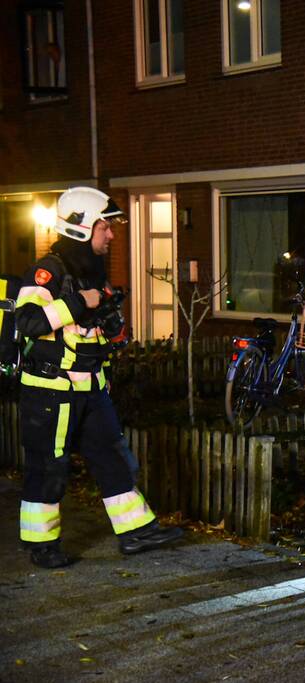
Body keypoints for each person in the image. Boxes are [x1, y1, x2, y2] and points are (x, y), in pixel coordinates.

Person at [16, 187, 183, 568]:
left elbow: (88, 334)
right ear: (81, 228)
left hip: (90, 386)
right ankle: (41, 544)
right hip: (50, 390)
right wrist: (80, 303)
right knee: (49, 466)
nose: (111, 235)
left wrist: (109, 327)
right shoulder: (48, 271)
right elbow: (27, 321)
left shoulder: (90, 271)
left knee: (113, 458)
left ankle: (135, 532)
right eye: (104, 227)